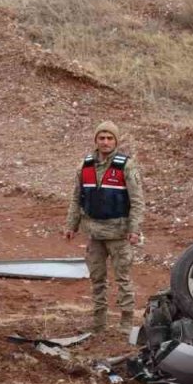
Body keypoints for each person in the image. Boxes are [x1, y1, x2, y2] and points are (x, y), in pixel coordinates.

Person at [64, 121, 144, 333]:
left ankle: (126, 324)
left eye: (110, 138)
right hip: (94, 234)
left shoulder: (127, 166)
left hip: (119, 234)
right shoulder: (85, 165)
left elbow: (137, 201)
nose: (105, 142)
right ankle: (99, 324)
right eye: (102, 138)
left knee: (123, 279)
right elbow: (76, 198)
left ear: (116, 141)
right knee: (97, 279)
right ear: (96, 140)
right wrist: (71, 225)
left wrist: (134, 230)